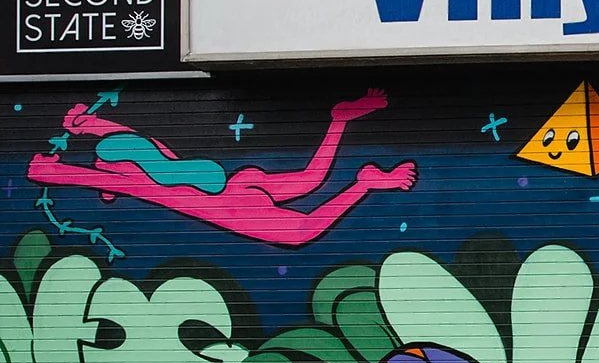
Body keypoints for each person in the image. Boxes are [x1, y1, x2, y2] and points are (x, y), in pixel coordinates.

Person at [27, 88, 415, 247]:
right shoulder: (158, 159)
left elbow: (116, 180)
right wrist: (87, 123)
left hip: (231, 206)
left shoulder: (151, 184)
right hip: (233, 183)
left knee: (303, 231)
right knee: (311, 179)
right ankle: (339, 123)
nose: (108, 190)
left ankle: (364, 183)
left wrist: (51, 172)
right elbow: (136, 140)